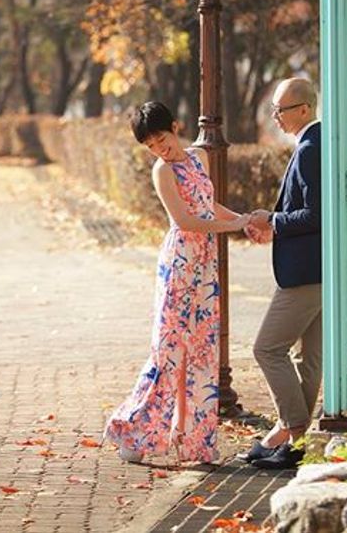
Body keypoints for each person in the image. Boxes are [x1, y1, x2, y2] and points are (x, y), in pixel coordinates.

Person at [104, 101, 250, 465]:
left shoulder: (198, 158)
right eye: (151, 145)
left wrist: (246, 220)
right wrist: (236, 225)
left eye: (162, 138)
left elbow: (209, 207)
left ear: (175, 126)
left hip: (204, 264)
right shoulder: (162, 172)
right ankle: (134, 431)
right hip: (180, 262)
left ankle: (193, 441)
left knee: (201, 349)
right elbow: (186, 220)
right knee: (169, 350)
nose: (160, 148)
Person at [241, 77, 322, 470]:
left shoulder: (310, 148)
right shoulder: (313, 143)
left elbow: (315, 214)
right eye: (274, 110)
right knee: (308, 358)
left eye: (281, 110)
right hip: (317, 269)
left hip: (306, 273)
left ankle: (291, 427)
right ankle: (293, 441)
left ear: (304, 109)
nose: (275, 117)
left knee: (267, 349)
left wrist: (272, 220)